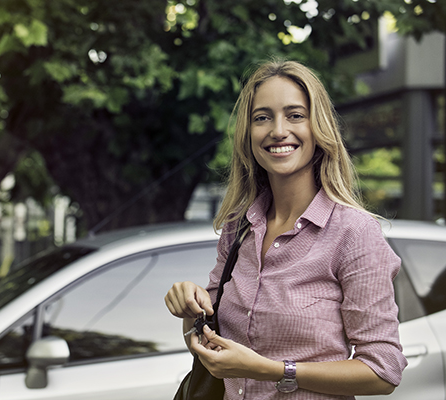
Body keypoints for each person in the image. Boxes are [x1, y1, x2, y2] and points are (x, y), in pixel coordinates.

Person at [164, 59, 407, 399]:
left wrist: (271, 370)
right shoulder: (240, 226)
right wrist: (191, 307)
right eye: (262, 117)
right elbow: (210, 344)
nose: (278, 130)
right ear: (249, 133)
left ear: (317, 127)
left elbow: (383, 372)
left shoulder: (354, 233)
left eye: (295, 115)